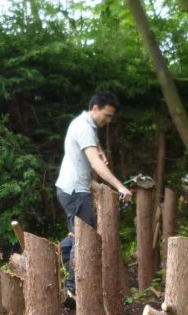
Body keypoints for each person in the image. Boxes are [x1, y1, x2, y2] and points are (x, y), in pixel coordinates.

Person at [55, 91, 132, 293]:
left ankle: (51, 262)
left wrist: (99, 147)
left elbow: (94, 148)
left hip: (71, 187)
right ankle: (73, 288)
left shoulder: (85, 123)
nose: (108, 120)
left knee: (75, 234)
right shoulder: (84, 128)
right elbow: (96, 163)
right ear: (95, 108)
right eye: (107, 115)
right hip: (75, 191)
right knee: (84, 237)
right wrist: (120, 186)